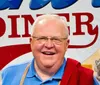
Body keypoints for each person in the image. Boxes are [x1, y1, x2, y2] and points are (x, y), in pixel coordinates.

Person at [1, 14, 100, 85]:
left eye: (56, 39)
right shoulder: (8, 75)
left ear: (66, 45)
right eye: (42, 38)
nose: (49, 45)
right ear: (31, 42)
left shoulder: (84, 79)